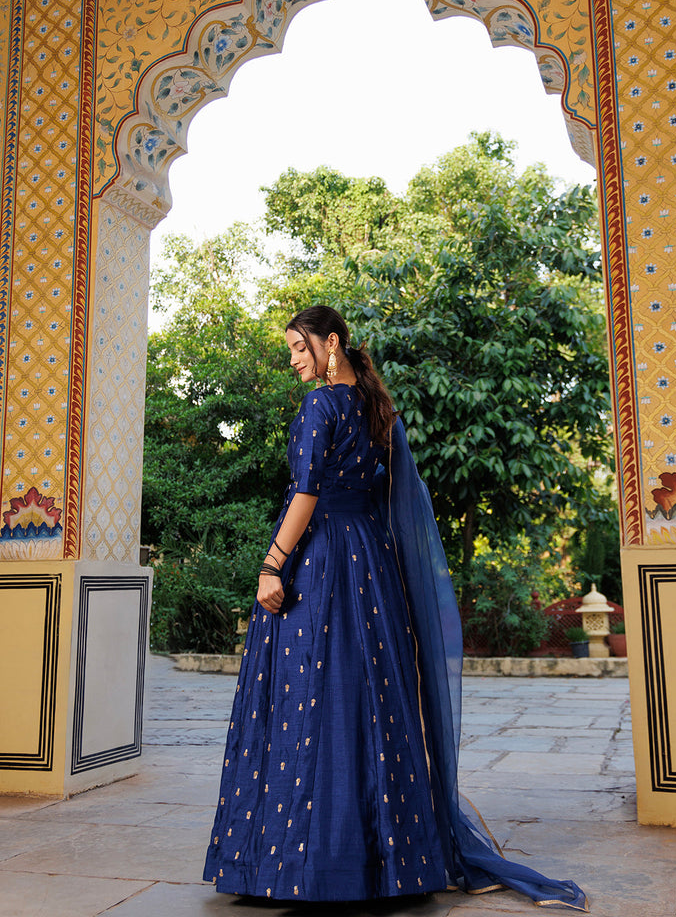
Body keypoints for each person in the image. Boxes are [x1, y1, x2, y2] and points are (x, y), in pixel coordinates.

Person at [203, 306, 588, 911]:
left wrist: (272, 564)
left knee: (311, 699)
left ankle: (307, 863)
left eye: (301, 349)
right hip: (372, 567)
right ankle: (389, 864)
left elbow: (306, 494)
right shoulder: (378, 410)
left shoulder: (322, 406)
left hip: (325, 559)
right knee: (370, 700)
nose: (296, 361)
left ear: (331, 343)